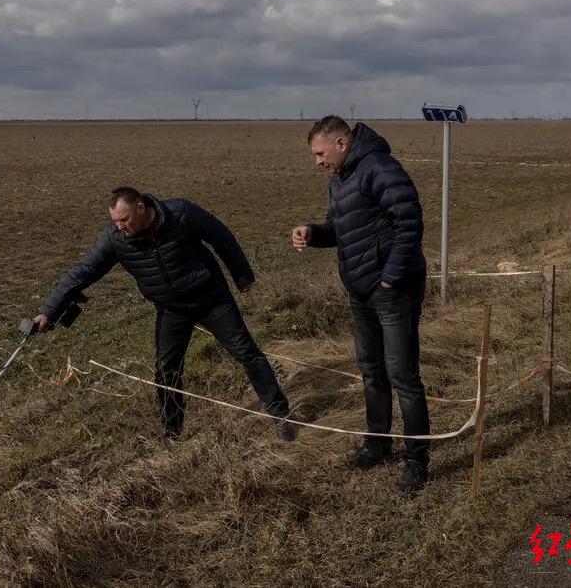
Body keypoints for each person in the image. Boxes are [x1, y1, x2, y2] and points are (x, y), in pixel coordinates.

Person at [37, 186, 294, 442]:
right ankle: (171, 433)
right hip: (171, 309)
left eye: (124, 220)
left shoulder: (181, 213)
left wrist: (242, 276)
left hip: (211, 298)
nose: (120, 226)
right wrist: (49, 311)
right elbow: (84, 271)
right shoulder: (115, 237)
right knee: (166, 370)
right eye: (115, 221)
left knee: (247, 353)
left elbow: (221, 237)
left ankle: (281, 417)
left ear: (141, 208)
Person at [290, 115, 430, 494]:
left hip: (392, 290)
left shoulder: (379, 167)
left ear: (341, 143)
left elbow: (410, 221)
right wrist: (312, 232)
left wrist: (391, 276)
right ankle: (378, 444)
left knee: (403, 375)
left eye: (320, 153)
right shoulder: (341, 179)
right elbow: (340, 229)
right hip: (361, 291)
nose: (317, 161)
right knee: (371, 371)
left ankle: (417, 460)